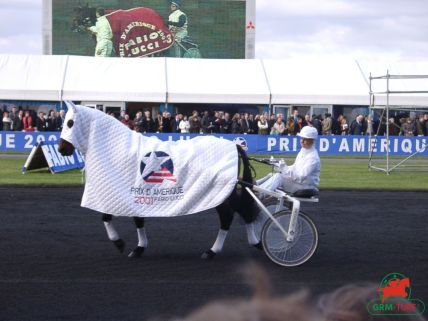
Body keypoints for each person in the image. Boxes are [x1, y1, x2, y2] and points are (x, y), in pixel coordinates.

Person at [259, 126, 320, 194]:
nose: (302, 141)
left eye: (305, 139)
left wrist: (284, 168)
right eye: (302, 138)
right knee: (272, 174)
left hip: (305, 186)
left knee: (279, 177)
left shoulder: (313, 158)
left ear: (312, 140)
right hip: (300, 183)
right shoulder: (303, 151)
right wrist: (280, 167)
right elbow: (295, 168)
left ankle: (259, 195)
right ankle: (255, 185)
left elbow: (300, 177)